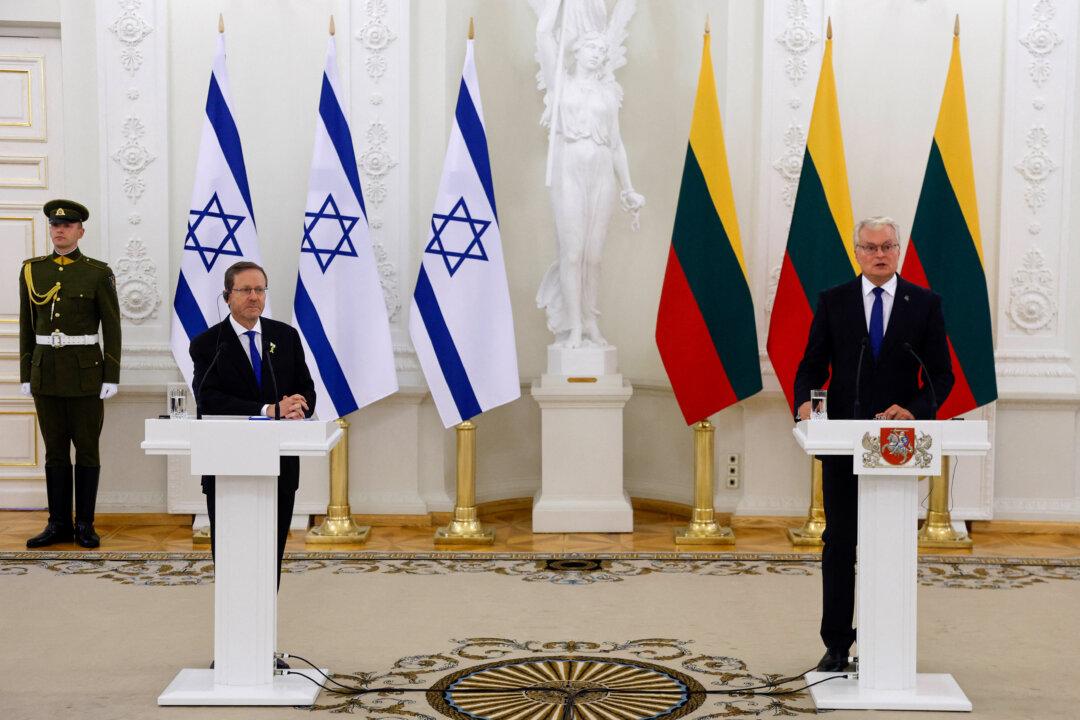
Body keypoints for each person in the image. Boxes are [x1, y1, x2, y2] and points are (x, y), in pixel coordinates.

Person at [793, 216, 954, 672]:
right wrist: (805, 403)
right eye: (870, 247)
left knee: (890, 541)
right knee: (840, 541)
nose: (879, 254)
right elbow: (810, 367)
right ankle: (837, 643)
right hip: (845, 442)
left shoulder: (924, 303)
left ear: (898, 250)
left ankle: (886, 640)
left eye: (887, 246)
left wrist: (915, 409)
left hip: (898, 445)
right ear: (857, 252)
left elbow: (941, 375)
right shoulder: (833, 301)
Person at [189, 260, 315, 590]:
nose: (254, 297)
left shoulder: (285, 337)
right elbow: (208, 400)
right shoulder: (207, 344)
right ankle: (233, 625)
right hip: (227, 462)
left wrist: (298, 407)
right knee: (231, 552)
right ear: (227, 296)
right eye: (245, 290)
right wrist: (268, 409)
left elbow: (307, 388)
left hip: (279, 463)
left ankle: (265, 625)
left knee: (271, 550)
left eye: (260, 290)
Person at [533, 0, 645, 348]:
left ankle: (589, 321)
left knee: (593, 256)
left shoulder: (608, 92)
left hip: (601, 174)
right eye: (591, 48)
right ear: (577, 52)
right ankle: (574, 329)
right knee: (571, 253)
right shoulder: (560, 84)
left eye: (602, 50)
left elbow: (616, 145)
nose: (597, 54)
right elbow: (543, 34)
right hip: (569, 169)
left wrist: (628, 188)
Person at [20, 199, 121, 549]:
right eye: (54, 225)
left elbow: (112, 326)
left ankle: (85, 525)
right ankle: (58, 523)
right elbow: (26, 325)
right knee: (55, 453)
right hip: (46, 373)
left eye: (67, 225)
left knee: (87, 451)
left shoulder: (97, 272)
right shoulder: (32, 270)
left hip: (86, 376)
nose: (59, 230)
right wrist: (25, 371)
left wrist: (111, 375)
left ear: (80, 230)